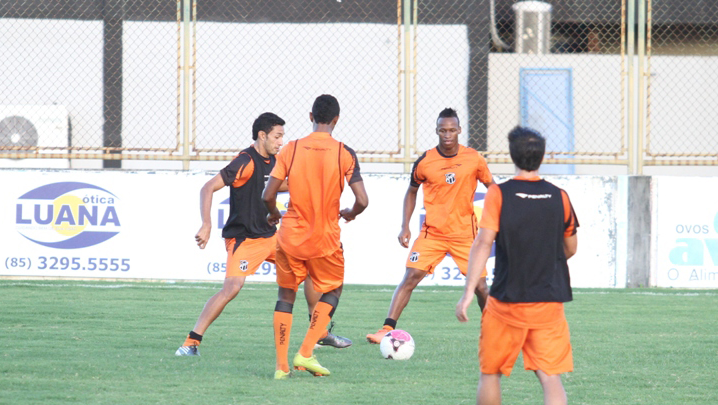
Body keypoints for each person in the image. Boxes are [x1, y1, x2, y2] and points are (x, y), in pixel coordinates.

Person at [175, 112, 351, 358]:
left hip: (272, 237)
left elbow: (289, 184)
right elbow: (208, 187)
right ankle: (191, 342)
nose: (281, 142)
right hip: (244, 239)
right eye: (277, 137)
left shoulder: (276, 162)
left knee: (313, 269)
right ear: (262, 135)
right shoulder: (245, 161)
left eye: (282, 137)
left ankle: (320, 332)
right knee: (232, 288)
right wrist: (206, 224)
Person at [453, 126, 579, 405]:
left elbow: (483, 242)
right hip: (548, 302)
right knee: (550, 375)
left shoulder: (499, 194)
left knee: (490, 373)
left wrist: (468, 293)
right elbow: (570, 247)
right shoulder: (559, 196)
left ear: (512, 156)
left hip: (506, 302)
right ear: (542, 156)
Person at [366, 108, 494, 344]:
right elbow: (412, 191)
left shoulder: (473, 158)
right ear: (436, 131)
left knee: (481, 287)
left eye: (452, 130)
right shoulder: (425, 161)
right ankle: (386, 328)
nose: (447, 135)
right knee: (411, 276)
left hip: (465, 235)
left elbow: (493, 188)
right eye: (443, 130)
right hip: (432, 234)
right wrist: (405, 226)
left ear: (459, 131)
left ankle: (494, 332)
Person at [262, 95, 368, 379]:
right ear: (336, 120)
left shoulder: (292, 149)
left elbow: (268, 194)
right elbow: (363, 200)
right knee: (333, 290)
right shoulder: (344, 152)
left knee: (286, 295)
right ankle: (306, 352)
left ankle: (281, 367)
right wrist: (351, 212)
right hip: (325, 238)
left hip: (290, 236)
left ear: (311, 116)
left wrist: (273, 213)